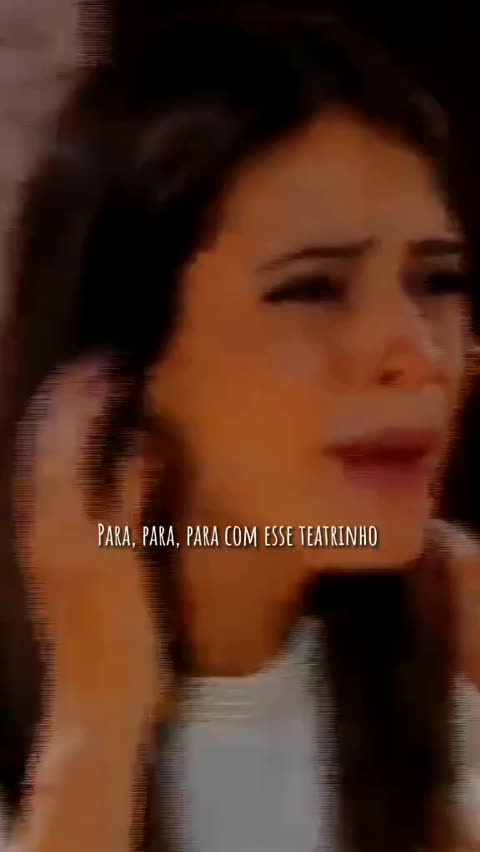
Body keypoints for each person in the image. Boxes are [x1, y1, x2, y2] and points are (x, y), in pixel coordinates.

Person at [1, 6, 480, 852]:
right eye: (313, 289)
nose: (418, 353)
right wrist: (97, 724)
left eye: (437, 281)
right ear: (120, 368)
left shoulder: (450, 657)